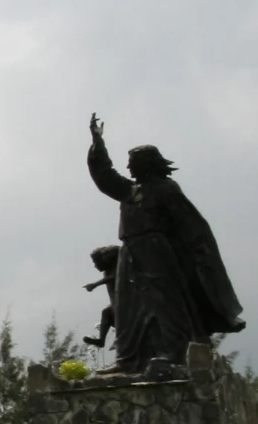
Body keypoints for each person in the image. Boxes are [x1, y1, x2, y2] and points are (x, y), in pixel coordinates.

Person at [86, 115, 244, 372]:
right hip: (130, 253)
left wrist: (199, 259)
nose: (129, 168)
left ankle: (176, 354)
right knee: (127, 308)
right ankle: (127, 360)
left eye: (133, 163)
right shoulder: (129, 191)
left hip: (157, 252)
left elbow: (192, 225)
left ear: (147, 165)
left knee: (166, 303)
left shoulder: (166, 189)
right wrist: (97, 141)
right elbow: (104, 176)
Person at [82, 245, 119, 352]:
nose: (95, 266)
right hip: (114, 303)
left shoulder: (117, 269)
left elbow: (114, 277)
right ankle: (101, 340)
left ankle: (120, 338)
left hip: (124, 303)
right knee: (106, 312)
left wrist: (95, 284)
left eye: (96, 262)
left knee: (115, 311)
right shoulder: (107, 272)